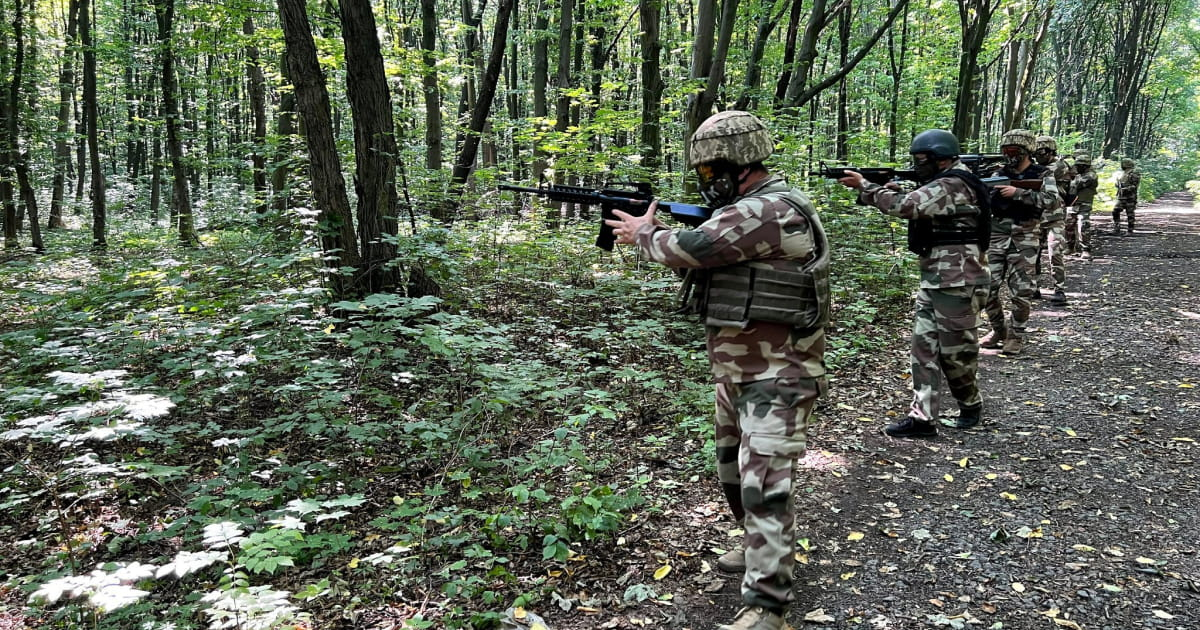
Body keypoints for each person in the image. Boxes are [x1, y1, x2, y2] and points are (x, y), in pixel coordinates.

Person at [605, 110, 829, 630]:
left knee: (763, 487)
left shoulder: (767, 210)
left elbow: (696, 248)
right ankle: (759, 549)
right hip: (742, 371)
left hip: (779, 375)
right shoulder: (749, 208)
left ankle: (767, 607)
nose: (707, 183)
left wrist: (645, 232)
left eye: (710, 173)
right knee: (732, 473)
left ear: (737, 164)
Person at [837, 129, 989, 438]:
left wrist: (866, 187)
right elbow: (915, 200)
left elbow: (908, 207)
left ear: (940, 159)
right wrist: (888, 189)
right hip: (935, 278)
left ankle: (970, 404)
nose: (917, 165)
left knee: (956, 356)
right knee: (923, 351)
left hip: (958, 281)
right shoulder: (942, 182)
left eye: (921, 160)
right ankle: (922, 418)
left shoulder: (954, 183)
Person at [979, 129, 1061, 355]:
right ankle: (999, 330)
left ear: (1026, 152)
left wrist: (1017, 192)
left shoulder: (1043, 174)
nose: (1009, 156)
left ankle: (1016, 335)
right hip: (996, 237)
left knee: (1021, 291)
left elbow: (1051, 200)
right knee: (985, 288)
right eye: (1005, 151)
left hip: (1025, 239)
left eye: (1013, 151)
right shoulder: (996, 173)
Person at [1032, 136, 1071, 305]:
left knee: (1055, 252)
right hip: (1037, 216)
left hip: (1055, 216)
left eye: (1040, 153)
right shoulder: (1037, 167)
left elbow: (1042, 173)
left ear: (1050, 151)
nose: (1037, 157)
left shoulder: (1059, 165)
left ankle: (1059, 289)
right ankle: (1034, 287)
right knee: (1034, 253)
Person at [1066, 154, 1098, 259]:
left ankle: (1086, 249)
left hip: (1084, 204)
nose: (1076, 167)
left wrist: (1070, 177)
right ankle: (1070, 247)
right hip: (1073, 204)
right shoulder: (1078, 175)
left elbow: (1075, 185)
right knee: (1068, 225)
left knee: (1083, 226)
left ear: (1085, 166)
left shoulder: (1091, 176)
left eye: (1079, 165)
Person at [1113, 158, 1141, 235]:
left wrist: (1126, 189)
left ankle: (1130, 230)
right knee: (1115, 211)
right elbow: (1119, 183)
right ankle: (1117, 227)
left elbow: (1134, 186)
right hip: (1121, 197)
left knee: (1130, 214)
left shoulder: (1133, 173)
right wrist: (1118, 185)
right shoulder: (1122, 173)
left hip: (1130, 197)